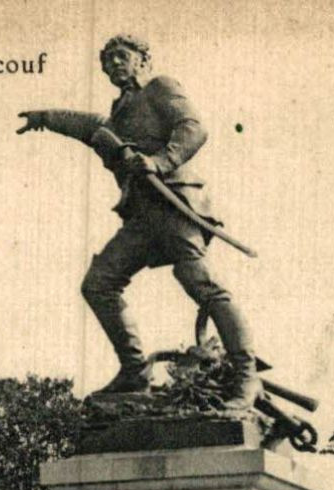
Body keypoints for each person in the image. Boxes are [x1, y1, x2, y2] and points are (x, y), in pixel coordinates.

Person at [17, 34, 258, 410]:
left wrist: (161, 161)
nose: (114, 63)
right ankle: (135, 373)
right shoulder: (119, 116)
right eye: (107, 59)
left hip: (174, 203)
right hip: (142, 216)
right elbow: (90, 125)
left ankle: (247, 375)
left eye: (122, 56)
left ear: (143, 60)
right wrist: (45, 118)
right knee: (99, 284)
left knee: (198, 281)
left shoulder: (161, 88)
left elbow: (194, 128)